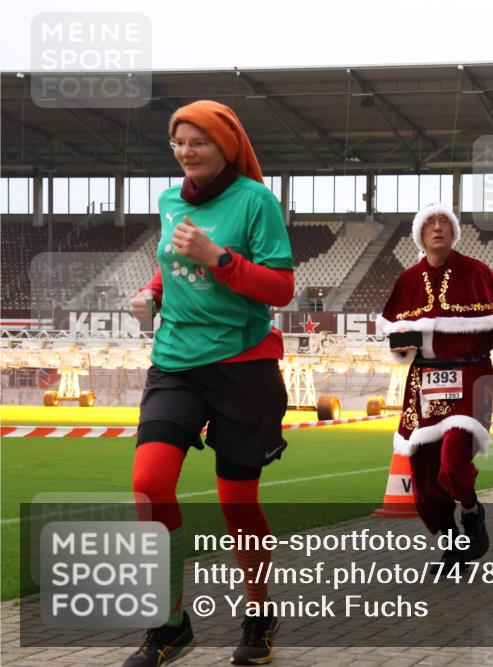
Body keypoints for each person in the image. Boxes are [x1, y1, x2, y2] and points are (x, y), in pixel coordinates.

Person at [125, 100, 294, 667]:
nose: (186, 152)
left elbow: (280, 288)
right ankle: (170, 625)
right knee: (149, 485)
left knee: (237, 503)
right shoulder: (170, 200)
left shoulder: (256, 201)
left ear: (226, 145)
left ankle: (258, 615)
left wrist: (219, 257)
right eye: (178, 142)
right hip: (174, 360)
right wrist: (152, 292)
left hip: (241, 366)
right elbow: (172, 261)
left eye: (197, 141)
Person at [379, 203, 493, 571]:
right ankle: (454, 549)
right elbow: (395, 336)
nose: (437, 228)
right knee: (424, 478)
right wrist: (401, 349)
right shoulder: (407, 281)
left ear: (454, 232)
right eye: (430, 223)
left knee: (452, 464)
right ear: (419, 233)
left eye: (445, 222)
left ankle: (471, 509)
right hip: (423, 383)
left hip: (471, 376)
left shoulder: (477, 272)